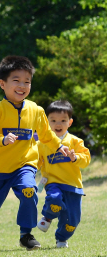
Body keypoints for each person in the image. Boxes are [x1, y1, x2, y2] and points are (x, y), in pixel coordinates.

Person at [0, 56, 72, 257]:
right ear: (3, 84)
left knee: (28, 190)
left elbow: (47, 135)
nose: (22, 85)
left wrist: (61, 146)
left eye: (27, 81)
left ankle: (26, 234)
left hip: (25, 164)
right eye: (16, 80)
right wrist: (1, 139)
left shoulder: (36, 110)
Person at [36, 100, 90, 248]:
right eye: (53, 120)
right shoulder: (42, 143)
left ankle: (61, 238)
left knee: (72, 220)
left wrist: (76, 158)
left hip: (73, 186)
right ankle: (47, 217)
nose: (57, 124)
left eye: (62, 120)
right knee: (54, 198)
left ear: (70, 122)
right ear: (47, 122)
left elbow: (86, 160)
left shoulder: (75, 141)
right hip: (53, 183)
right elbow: (36, 161)